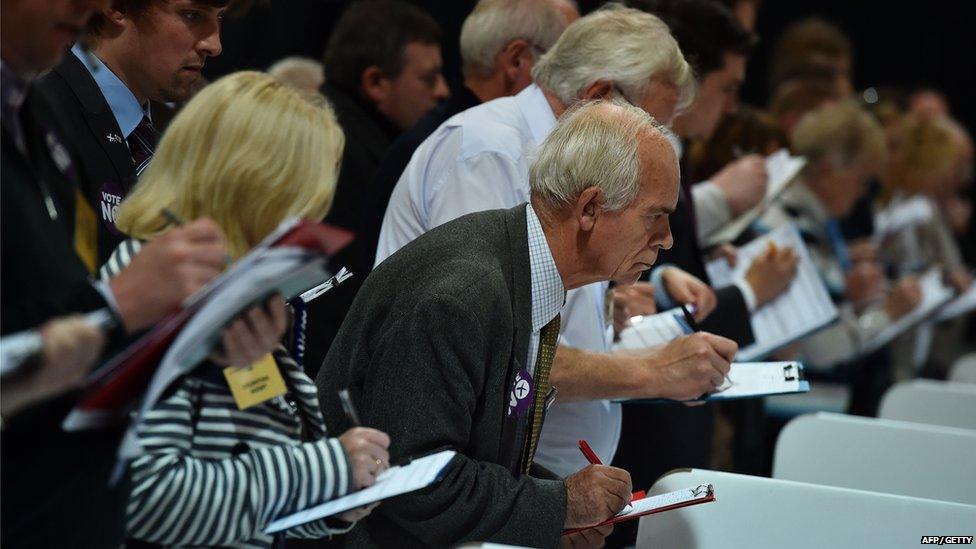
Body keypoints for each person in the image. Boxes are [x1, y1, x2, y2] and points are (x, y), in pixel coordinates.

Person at [318, 99, 736, 549]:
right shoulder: (463, 294)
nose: (668, 238)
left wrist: (550, 513)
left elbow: (466, 455)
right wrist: (560, 504)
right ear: (590, 208)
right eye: (656, 216)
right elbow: (415, 484)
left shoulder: (514, 267)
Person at [376, 4, 733, 481]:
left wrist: (608, 308)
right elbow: (494, 350)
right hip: (461, 482)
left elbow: (535, 316)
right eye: (652, 128)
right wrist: (653, 370)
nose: (660, 148)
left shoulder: (571, 158)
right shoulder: (487, 152)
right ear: (601, 96)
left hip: (526, 475)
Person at [0, 1, 274, 546]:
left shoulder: (33, 110)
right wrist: (116, 305)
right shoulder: (55, 98)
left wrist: (190, 343)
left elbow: (57, 320)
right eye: (192, 14)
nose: (215, 44)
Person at [100, 71, 389, 547]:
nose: (310, 224)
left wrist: (336, 501)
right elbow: (144, 499)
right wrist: (325, 468)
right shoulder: (157, 290)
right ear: (256, 189)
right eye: (303, 202)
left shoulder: (227, 289)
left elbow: (250, 476)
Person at [304, 0, 449, 378]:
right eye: (428, 78)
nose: (443, 91)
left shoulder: (342, 136)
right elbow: (330, 292)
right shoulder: (341, 152)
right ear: (375, 82)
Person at [368, 0, 579, 259]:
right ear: (517, 60)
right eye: (564, 65)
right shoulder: (478, 147)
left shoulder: (480, 137)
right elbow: (473, 289)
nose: (573, 82)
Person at [38, 0, 228, 267]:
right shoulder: (39, 114)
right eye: (191, 15)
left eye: (220, 18)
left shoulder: (187, 129)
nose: (214, 45)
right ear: (117, 7)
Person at [760, 101, 920, 368]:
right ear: (826, 170)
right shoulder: (788, 229)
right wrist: (888, 314)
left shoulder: (811, 225)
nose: (861, 193)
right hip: (797, 403)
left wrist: (853, 296)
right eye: (862, 180)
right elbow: (817, 350)